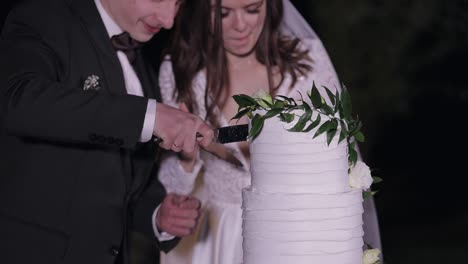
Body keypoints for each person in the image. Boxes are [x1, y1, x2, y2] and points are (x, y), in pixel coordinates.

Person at [157, 0, 382, 263]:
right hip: (219, 234)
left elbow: (335, 156)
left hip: (298, 233)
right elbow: (167, 188)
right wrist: (186, 158)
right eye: (223, 13)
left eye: (252, 10)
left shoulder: (305, 59)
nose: (240, 26)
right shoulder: (180, 71)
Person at [0, 0, 216, 264]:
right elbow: (20, 101)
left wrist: (157, 213)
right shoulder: (44, 18)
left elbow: (119, 180)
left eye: (178, 3)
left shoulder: (142, 67)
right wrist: (149, 116)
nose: (169, 20)